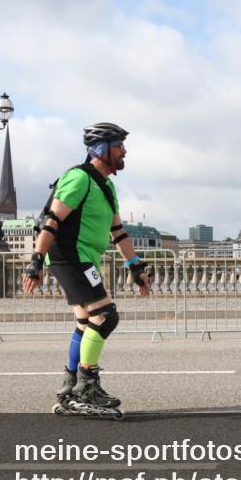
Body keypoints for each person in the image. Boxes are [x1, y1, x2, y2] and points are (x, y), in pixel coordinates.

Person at [22, 122, 150, 416]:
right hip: (69, 256)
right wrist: (36, 261)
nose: (124, 152)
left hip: (84, 258)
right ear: (101, 149)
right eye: (119, 146)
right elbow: (52, 221)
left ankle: (70, 387)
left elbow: (118, 232)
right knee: (105, 315)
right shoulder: (78, 178)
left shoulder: (107, 185)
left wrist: (135, 267)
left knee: (85, 320)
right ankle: (86, 386)